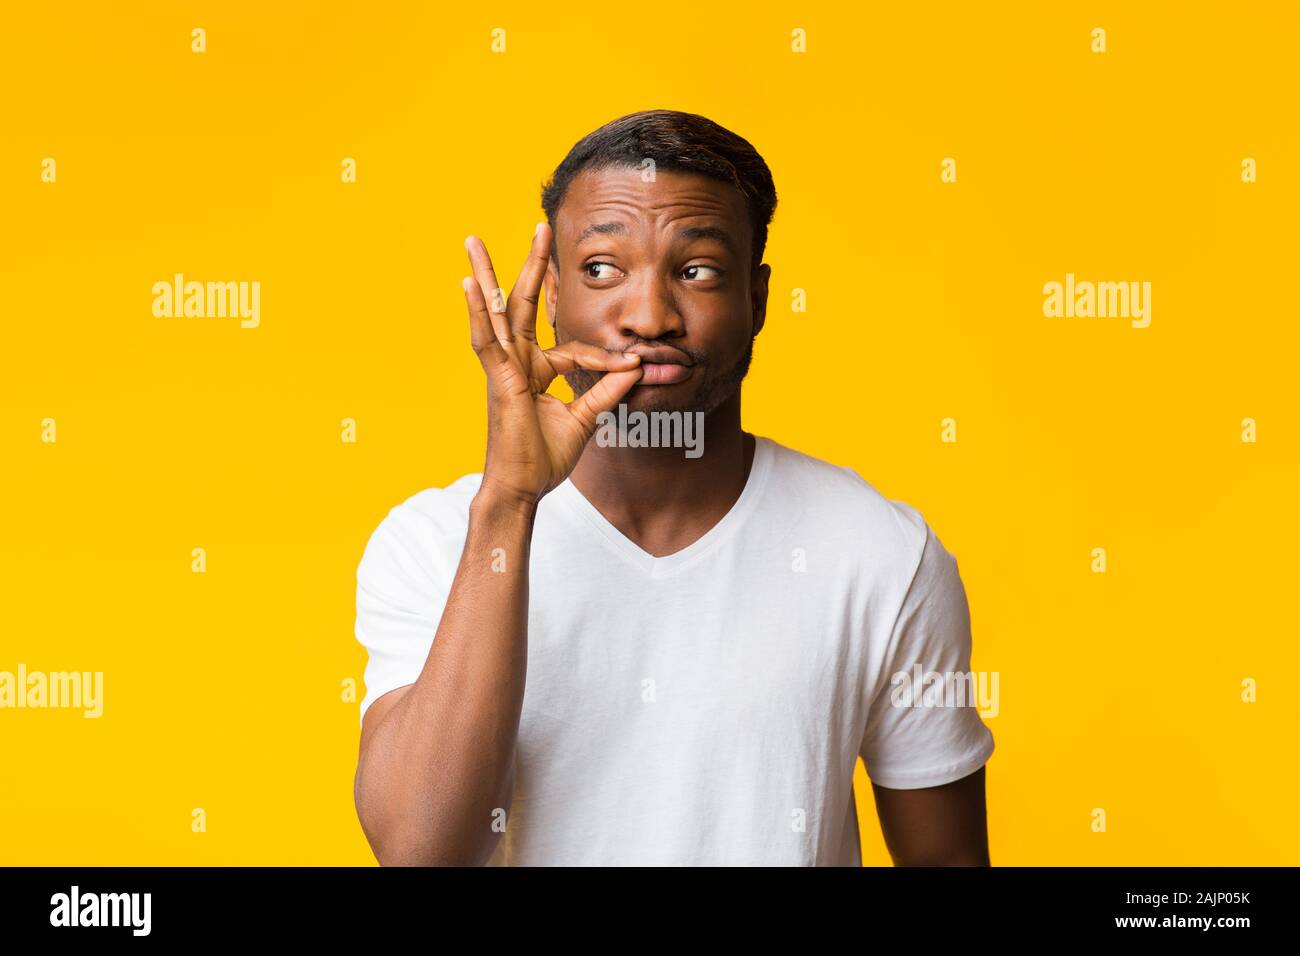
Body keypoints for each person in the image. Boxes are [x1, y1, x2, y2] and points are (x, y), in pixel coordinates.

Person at [352, 109, 994, 866]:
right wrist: (510, 504)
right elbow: (422, 853)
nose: (650, 316)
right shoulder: (432, 543)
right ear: (551, 293)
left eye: (696, 271)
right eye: (601, 269)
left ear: (756, 301)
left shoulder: (883, 554)